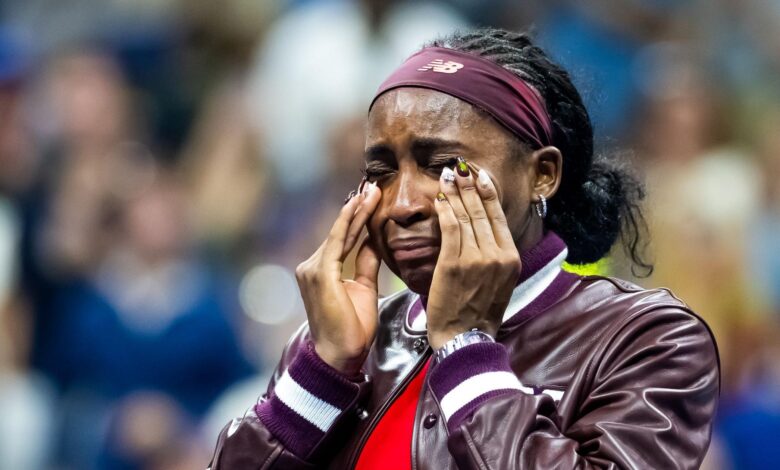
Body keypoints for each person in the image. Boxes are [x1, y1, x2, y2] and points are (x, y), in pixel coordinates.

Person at [209, 28, 719, 469]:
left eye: (444, 166)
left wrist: (466, 349)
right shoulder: (340, 341)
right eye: (381, 172)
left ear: (542, 174)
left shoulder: (648, 338)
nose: (402, 204)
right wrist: (321, 374)